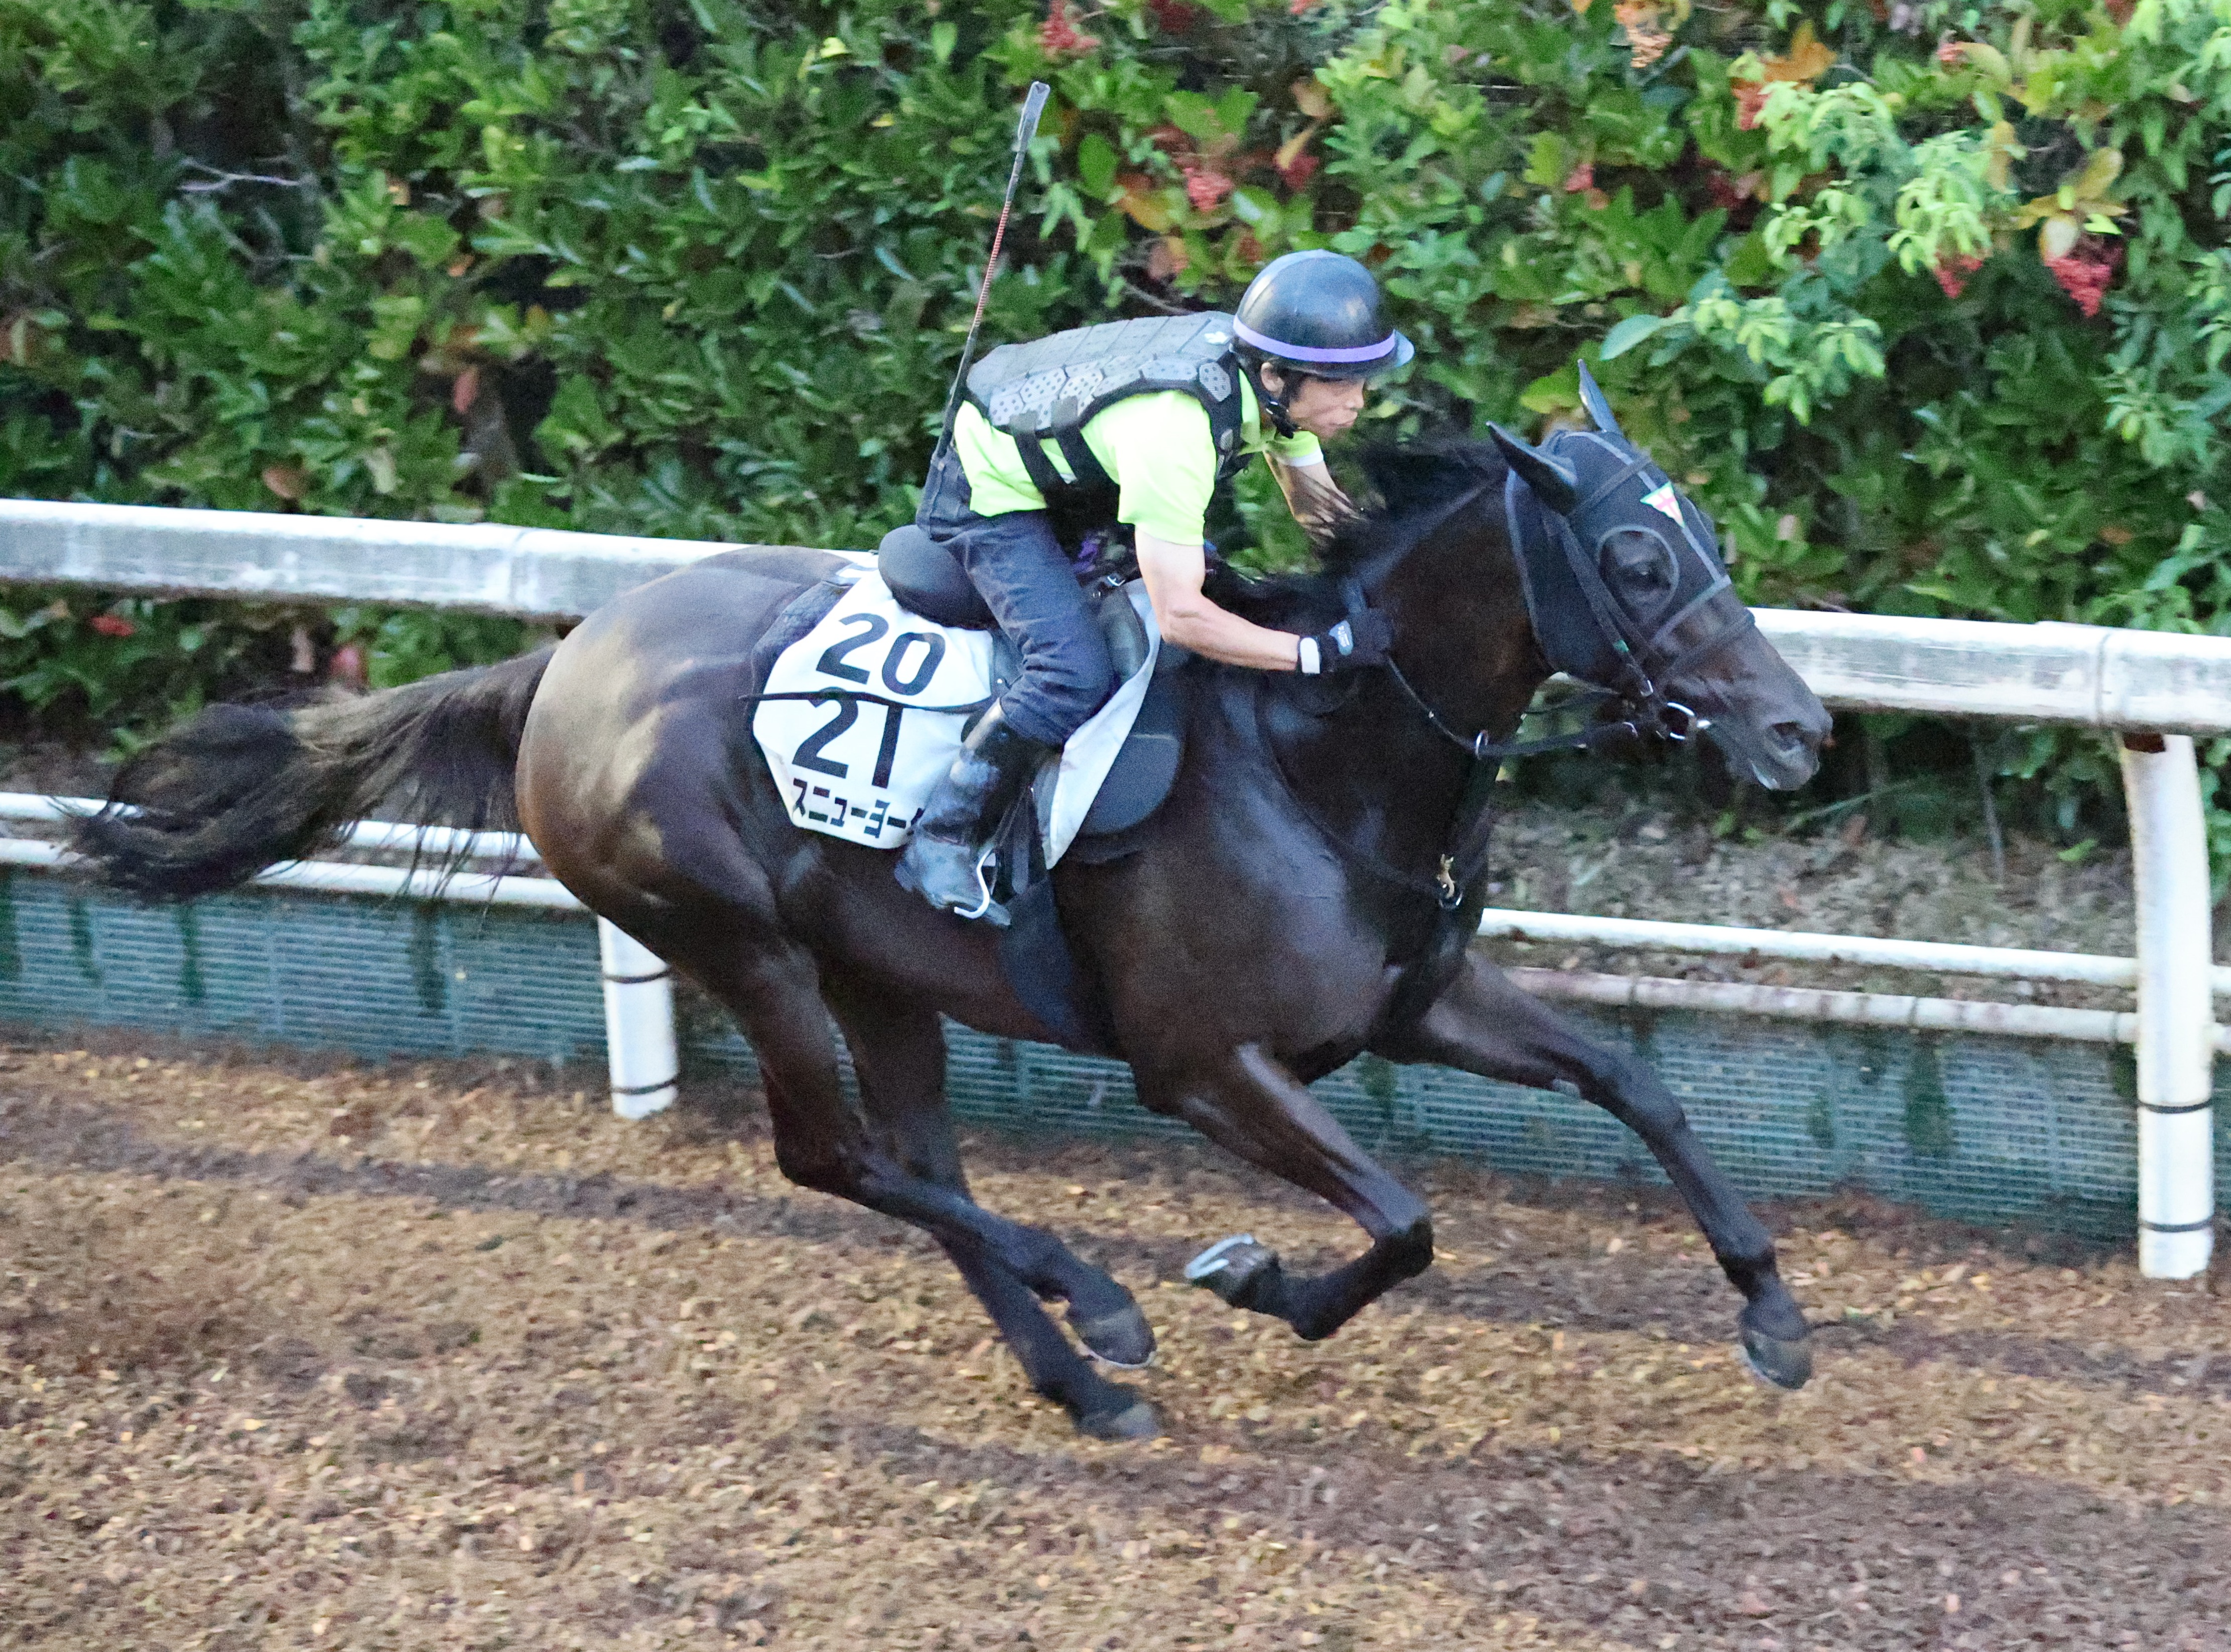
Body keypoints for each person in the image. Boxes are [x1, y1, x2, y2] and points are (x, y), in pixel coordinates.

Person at [895, 248, 1415, 924]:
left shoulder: (1270, 395)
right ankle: (943, 838)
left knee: (1221, 581)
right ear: (1275, 377)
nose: (1358, 400)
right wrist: (1315, 653)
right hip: (992, 496)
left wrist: (1379, 595)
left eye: (1361, 381)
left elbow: (1321, 512)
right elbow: (1180, 618)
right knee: (1070, 672)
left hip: (1086, 485)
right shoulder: (1178, 432)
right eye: (1341, 384)